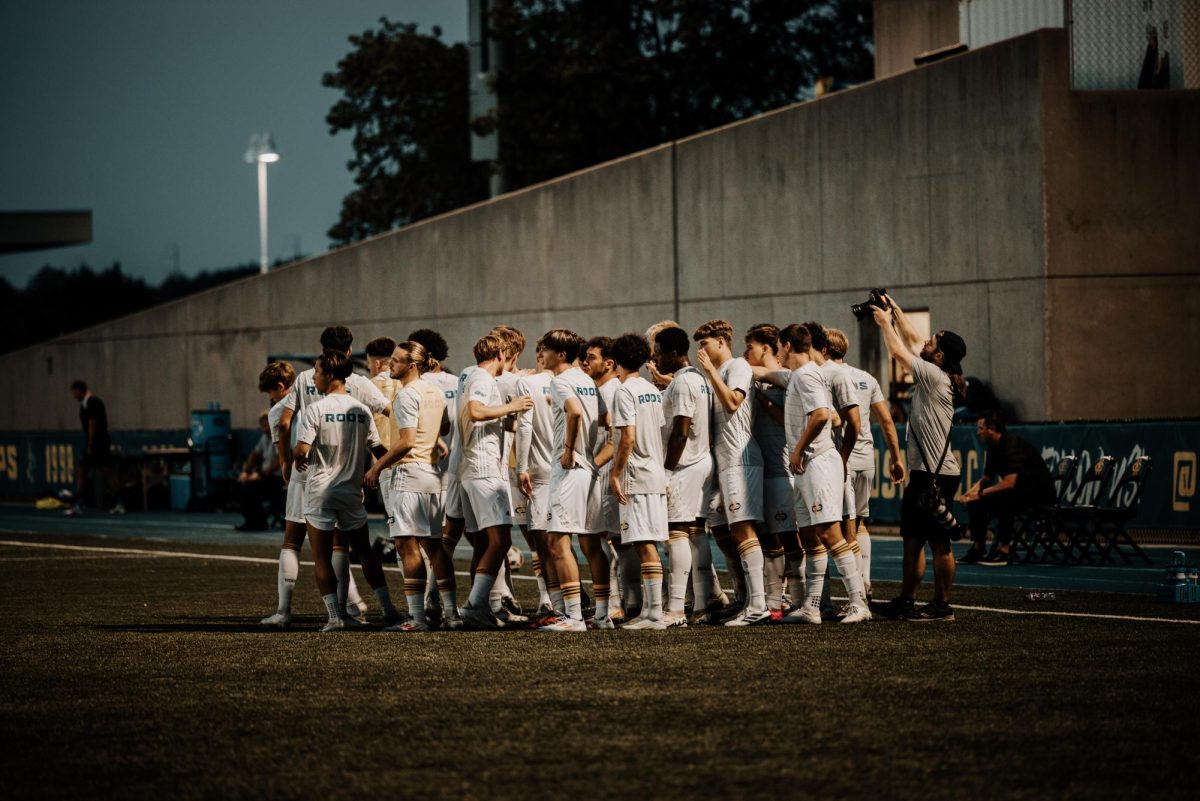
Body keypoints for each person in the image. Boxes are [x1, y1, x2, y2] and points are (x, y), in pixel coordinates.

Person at [278, 326, 391, 625]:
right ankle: (388, 609)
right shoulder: (362, 409)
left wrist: (295, 458)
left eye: (317, 372)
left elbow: (300, 448)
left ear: (328, 374)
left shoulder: (316, 407)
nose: (313, 377)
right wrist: (386, 466)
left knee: (320, 556)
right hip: (352, 490)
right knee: (364, 551)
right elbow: (380, 448)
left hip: (320, 488)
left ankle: (334, 617)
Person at [871, 298, 967, 622]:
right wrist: (895, 310)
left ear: (939, 356)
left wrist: (884, 323)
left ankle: (942, 605)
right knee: (912, 538)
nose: (925, 342)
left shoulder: (934, 377)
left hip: (935, 474)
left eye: (933, 342)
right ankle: (907, 600)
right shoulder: (939, 371)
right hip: (924, 471)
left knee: (939, 541)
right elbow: (914, 341)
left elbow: (900, 352)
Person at [779, 324, 870, 625]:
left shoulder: (806, 374)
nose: (778, 353)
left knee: (831, 534)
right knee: (810, 539)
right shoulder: (798, 374)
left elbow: (822, 415)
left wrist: (798, 449)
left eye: (779, 347)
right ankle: (812, 606)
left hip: (816, 461)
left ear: (788, 346)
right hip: (807, 465)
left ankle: (859, 602)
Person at [364, 340, 453, 631]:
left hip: (409, 474)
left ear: (412, 365)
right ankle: (452, 614)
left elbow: (406, 441)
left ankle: (416, 619)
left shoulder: (405, 395)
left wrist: (377, 466)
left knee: (406, 544)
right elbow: (446, 427)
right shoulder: (435, 391)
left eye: (397, 361)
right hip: (432, 474)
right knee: (435, 546)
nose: (390, 365)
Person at [693, 319, 771, 627]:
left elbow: (734, 402)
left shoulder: (737, 366)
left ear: (721, 343)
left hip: (742, 458)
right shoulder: (718, 373)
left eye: (704, 344)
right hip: (724, 462)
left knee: (743, 530)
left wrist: (710, 372)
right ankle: (746, 599)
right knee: (728, 531)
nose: (701, 350)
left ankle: (760, 605)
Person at [456, 333, 534, 629]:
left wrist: (507, 417)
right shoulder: (483, 378)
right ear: (500, 355)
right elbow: (475, 412)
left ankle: (485, 606)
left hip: (473, 469)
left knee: (482, 543)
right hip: (484, 470)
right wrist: (511, 407)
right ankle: (474, 606)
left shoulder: (471, 376)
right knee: (500, 541)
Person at [824, 327, 905, 597]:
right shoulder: (866, 378)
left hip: (840, 456)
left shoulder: (825, 375)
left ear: (824, 348)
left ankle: (857, 593)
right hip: (866, 457)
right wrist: (896, 457)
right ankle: (866, 582)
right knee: (860, 523)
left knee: (846, 526)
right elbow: (886, 420)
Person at [653, 325, 724, 624]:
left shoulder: (683, 384)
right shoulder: (700, 379)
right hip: (701, 460)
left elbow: (681, 430)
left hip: (686, 464)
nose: (655, 359)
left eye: (658, 352)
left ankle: (676, 609)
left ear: (673, 354)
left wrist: (667, 471)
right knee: (696, 533)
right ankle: (701, 605)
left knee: (676, 533)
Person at [540, 328, 606, 632]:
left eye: (546, 350)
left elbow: (575, 413)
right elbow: (606, 420)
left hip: (570, 468)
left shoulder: (563, 380)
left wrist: (568, 450)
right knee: (590, 542)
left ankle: (574, 617)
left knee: (556, 541)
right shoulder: (587, 380)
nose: (541, 355)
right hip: (589, 467)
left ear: (561, 354)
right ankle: (602, 614)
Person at [607, 333, 671, 630]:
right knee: (647, 543)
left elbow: (627, 437)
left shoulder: (624, 391)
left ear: (616, 360)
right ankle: (650, 611)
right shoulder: (651, 389)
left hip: (638, 475)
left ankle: (655, 614)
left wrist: (616, 473)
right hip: (655, 472)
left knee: (645, 544)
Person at [960, 411, 1056, 566]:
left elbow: (1009, 483)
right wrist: (969, 495)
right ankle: (979, 548)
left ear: (991, 429)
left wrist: (981, 493)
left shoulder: (1012, 445)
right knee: (976, 502)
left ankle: (1004, 550)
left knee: (1006, 498)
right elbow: (986, 479)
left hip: (1040, 493)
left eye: (980, 428)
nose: (978, 432)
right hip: (1018, 491)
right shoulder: (992, 448)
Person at [66, 380, 123, 516]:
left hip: (98, 443)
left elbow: (93, 425)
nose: (73, 395)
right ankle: (79, 503)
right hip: (95, 443)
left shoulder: (92, 402)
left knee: (106, 472)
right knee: (83, 470)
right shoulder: (84, 405)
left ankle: (119, 502)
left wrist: (90, 445)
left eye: (74, 392)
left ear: (80, 390)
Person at [234, 413, 280, 531]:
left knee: (251, 486)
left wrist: (260, 475)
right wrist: (245, 472)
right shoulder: (265, 438)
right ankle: (251, 520)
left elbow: (280, 461)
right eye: (263, 426)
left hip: (278, 477)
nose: (265, 429)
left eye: (267, 426)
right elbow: (254, 455)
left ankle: (259, 522)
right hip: (266, 475)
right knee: (240, 484)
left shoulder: (280, 436)